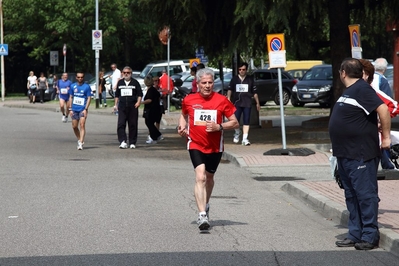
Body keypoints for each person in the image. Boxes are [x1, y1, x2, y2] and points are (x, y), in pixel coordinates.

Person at [330, 58, 391, 250]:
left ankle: (369, 235)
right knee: (352, 196)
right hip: (346, 154)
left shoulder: (362, 89)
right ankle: (355, 233)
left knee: (365, 196)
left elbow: (383, 109)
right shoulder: (351, 91)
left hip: (361, 154)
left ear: (343, 73)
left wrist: (386, 138)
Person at [177, 68, 239, 231]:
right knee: (200, 177)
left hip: (214, 146)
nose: (207, 86)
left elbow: (235, 122)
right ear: (197, 84)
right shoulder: (189, 99)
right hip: (195, 143)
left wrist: (219, 126)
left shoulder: (221, 100)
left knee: (209, 178)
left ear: (214, 83)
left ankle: (206, 203)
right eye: (204, 83)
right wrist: (182, 127)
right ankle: (202, 214)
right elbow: (183, 115)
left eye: (210, 82)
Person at [359, 59, 396, 170]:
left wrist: (381, 120)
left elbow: (389, 105)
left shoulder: (373, 88)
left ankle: (388, 165)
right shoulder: (351, 90)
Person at [227, 62, 260, 146]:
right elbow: (230, 90)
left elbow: (255, 92)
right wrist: (228, 99)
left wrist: (257, 103)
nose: (241, 71)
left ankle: (245, 138)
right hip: (237, 103)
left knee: (246, 120)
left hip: (247, 103)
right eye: (240, 69)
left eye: (243, 69)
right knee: (235, 120)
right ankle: (237, 132)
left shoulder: (250, 79)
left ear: (246, 70)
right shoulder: (234, 79)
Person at [113, 66, 143, 149]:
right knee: (121, 124)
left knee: (133, 124)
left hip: (132, 107)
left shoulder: (135, 82)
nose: (126, 74)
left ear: (131, 73)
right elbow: (117, 95)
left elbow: (140, 94)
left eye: (128, 73)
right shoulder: (120, 83)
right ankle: (122, 141)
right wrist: (116, 105)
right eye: (124, 72)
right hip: (122, 107)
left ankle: (132, 142)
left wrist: (138, 102)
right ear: (122, 73)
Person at [67, 72, 92, 150]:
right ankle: (79, 138)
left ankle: (81, 142)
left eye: (81, 77)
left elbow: (89, 98)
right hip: (74, 109)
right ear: (76, 78)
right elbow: (70, 97)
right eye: (78, 77)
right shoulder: (72, 86)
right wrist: (70, 109)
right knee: (74, 126)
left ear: (83, 78)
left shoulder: (87, 87)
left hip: (82, 109)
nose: (80, 78)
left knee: (82, 125)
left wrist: (86, 109)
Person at [142, 76, 163, 144]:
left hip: (151, 109)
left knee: (149, 123)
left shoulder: (151, 90)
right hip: (155, 108)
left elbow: (149, 100)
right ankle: (157, 135)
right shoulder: (153, 90)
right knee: (150, 123)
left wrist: (141, 102)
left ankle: (154, 137)